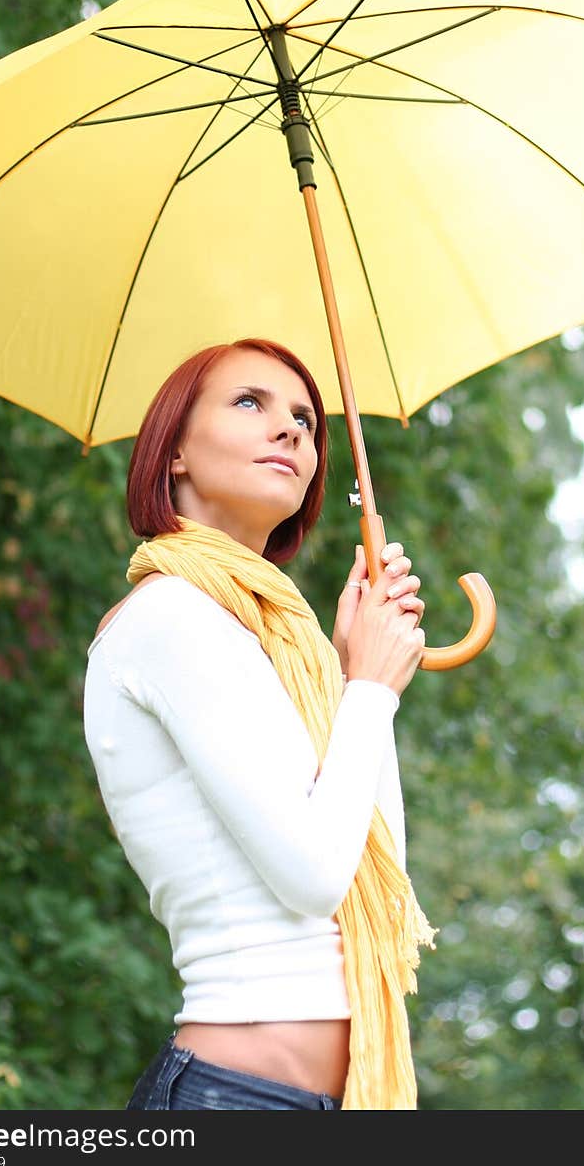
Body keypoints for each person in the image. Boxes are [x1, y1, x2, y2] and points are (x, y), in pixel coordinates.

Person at [83, 337, 434, 1111]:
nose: (293, 432)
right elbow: (311, 878)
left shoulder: (279, 644)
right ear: (173, 451)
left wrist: (355, 681)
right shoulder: (170, 617)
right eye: (252, 403)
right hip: (233, 1101)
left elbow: (374, 869)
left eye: (306, 419)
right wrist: (369, 692)